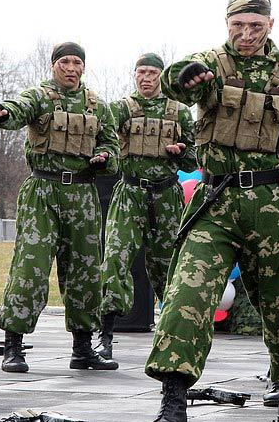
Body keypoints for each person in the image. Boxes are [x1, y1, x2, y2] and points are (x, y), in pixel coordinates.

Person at [144, 0, 279, 422]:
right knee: (188, 293)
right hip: (218, 203)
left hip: (273, 205)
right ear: (226, 24)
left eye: (255, 26)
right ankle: (172, 402)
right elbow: (176, 79)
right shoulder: (211, 64)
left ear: (270, 25)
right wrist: (184, 75)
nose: (245, 35)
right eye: (237, 26)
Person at [0, 42, 119, 373]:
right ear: (53, 66)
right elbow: (18, 110)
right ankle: (13, 346)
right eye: (64, 62)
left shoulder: (98, 107)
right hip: (42, 192)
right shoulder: (40, 96)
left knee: (86, 273)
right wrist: (2, 113)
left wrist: (105, 158)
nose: (70, 68)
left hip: (83, 195)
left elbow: (112, 147)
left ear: (84, 67)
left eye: (76, 62)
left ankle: (83, 348)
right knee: (30, 267)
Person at [97, 53, 196, 359]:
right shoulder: (120, 109)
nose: (147, 78)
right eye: (142, 72)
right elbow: (102, 139)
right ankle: (106, 333)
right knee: (115, 258)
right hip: (129, 193)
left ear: (161, 76)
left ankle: (174, 335)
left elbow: (195, 158)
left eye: (153, 72)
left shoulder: (179, 112)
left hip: (166, 196)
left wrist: (180, 152)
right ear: (135, 75)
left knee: (168, 266)